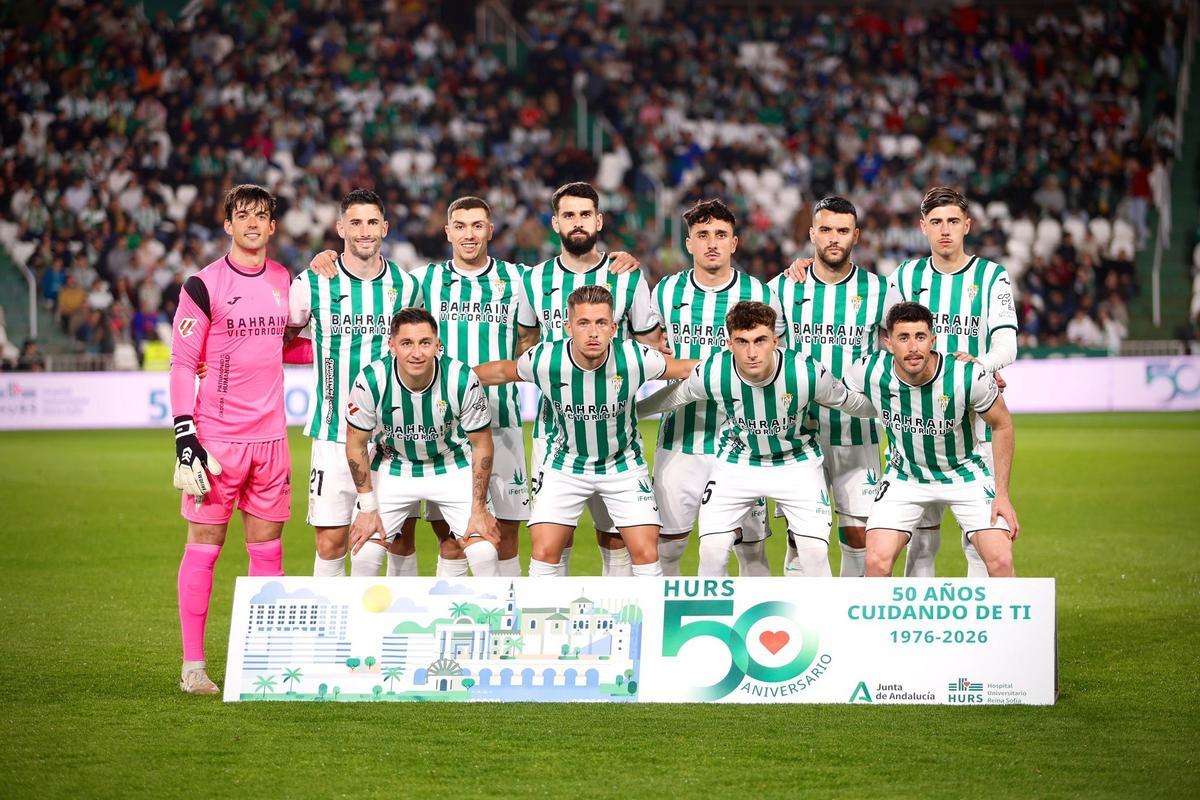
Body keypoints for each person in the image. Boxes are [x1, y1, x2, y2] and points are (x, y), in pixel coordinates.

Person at [638, 302, 874, 577]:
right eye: (742, 342)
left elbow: (848, 401)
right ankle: (714, 617)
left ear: (775, 341)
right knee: (712, 550)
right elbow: (675, 397)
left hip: (797, 463)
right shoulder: (714, 372)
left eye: (760, 341)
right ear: (729, 343)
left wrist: (889, 407)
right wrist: (630, 412)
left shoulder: (806, 373)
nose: (751, 352)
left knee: (813, 553)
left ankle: (817, 619)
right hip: (738, 463)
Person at [476, 285, 696, 577]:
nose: (593, 332)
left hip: (623, 466)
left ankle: (649, 621)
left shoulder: (635, 357)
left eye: (601, 323)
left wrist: (736, 368)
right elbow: (502, 371)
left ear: (613, 328)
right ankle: (541, 621)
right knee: (543, 553)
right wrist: (448, 378)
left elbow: (684, 369)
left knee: (646, 553)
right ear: (568, 326)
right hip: (565, 465)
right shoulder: (545, 359)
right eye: (584, 323)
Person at [169, 185, 292, 695]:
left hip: (271, 440)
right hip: (218, 442)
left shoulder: (286, 280)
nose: (253, 224)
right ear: (228, 224)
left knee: (268, 550)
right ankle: (193, 666)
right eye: (243, 216)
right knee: (205, 546)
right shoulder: (203, 284)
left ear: (272, 226)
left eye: (261, 217)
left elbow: (285, 348)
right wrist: (184, 434)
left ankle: (266, 663)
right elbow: (181, 362)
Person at [515, 181, 664, 576]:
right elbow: (528, 342)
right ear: (555, 223)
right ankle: (555, 626)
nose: (577, 222)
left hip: (617, 437)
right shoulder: (533, 280)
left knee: (615, 536)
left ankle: (616, 622)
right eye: (569, 215)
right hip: (553, 436)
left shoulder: (629, 277)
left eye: (585, 214)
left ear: (598, 220)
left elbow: (652, 346)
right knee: (552, 541)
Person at [287, 189, 424, 578]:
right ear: (340, 227)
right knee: (331, 544)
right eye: (356, 222)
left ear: (385, 227)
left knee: (397, 541)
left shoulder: (405, 285)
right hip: (333, 435)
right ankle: (330, 636)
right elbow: (281, 339)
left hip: (392, 436)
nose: (364, 231)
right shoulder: (311, 283)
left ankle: (396, 632)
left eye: (372, 222)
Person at [886, 187, 1018, 577]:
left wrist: (980, 365)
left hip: (974, 420)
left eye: (953, 222)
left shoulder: (992, 275)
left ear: (968, 226)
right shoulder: (906, 276)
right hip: (916, 423)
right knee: (921, 538)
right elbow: (886, 337)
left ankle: (982, 626)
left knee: (981, 537)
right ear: (922, 227)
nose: (945, 231)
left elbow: (1007, 342)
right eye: (937, 222)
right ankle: (918, 628)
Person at [650, 198, 784, 576]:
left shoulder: (759, 294)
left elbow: (778, 359)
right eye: (702, 234)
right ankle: (670, 629)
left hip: (743, 445)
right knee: (669, 549)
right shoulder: (665, 292)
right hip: (680, 440)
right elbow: (646, 351)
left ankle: (747, 632)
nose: (712, 242)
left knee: (751, 551)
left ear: (734, 243)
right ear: (689, 243)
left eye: (721, 235)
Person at [841, 302, 1019, 577]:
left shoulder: (965, 375)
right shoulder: (870, 370)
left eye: (920, 337)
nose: (913, 347)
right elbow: (846, 396)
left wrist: (1002, 495)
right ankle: (887, 622)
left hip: (964, 476)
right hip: (905, 478)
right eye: (903, 338)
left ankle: (1003, 622)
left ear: (932, 340)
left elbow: (1003, 424)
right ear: (889, 343)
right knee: (876, 561)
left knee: (1001, 560)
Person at [768, 196, 893, 577]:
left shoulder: (880, 290)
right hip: (798, 435)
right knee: (800, 536)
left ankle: (847, 622)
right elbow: (767, 350)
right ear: (811, 234)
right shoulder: (783, 288)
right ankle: (799, 624)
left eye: (842, 231)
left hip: (858, 430)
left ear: (856, 235)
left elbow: (901, 348)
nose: (833, 239)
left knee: (858, 535)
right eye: (825, 230)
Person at [409, 197, 528, 578]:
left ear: (491, 230)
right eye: (460, 226)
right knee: (451, 538)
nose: (469, 234)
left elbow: (535, 329)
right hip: (447, 432)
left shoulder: (518, 279)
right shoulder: (425, 280)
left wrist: (616, 259)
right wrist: (326, 257)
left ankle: (509, 625)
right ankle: (451, 624)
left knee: (506, 533)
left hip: (503, 421)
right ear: (447, 232)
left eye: (478, 225)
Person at [344, 308, 501, 577]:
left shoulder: (461, 378)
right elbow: (355, 444)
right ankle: (375, 619)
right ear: (391, 345)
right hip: (393, 466)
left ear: (437, 345)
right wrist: (367, 508)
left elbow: (482, 445)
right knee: (364, 554)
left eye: (425, 343)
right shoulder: (370, 380)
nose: (416, 353)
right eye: (407, 343)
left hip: (451, 464)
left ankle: (489, 618)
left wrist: (479, 509)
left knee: (484, 552)